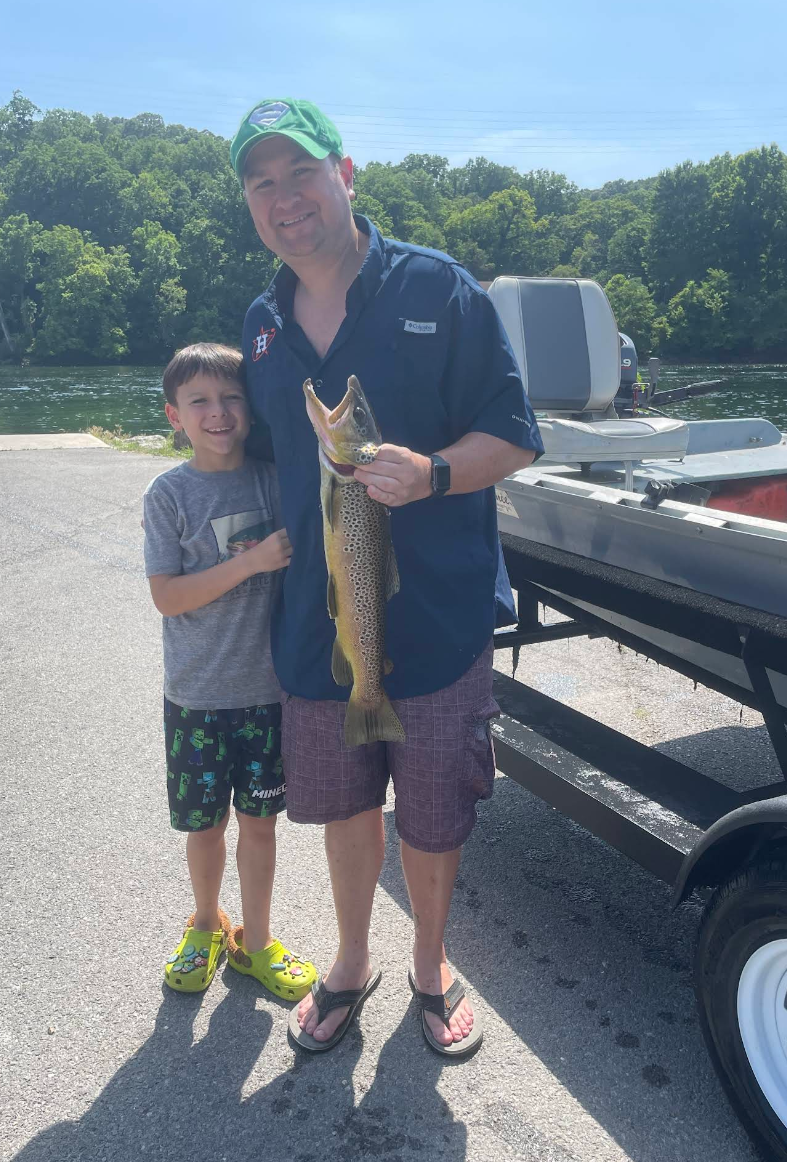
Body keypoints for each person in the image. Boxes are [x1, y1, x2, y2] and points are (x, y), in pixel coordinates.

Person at [230, 101, 543, 1056]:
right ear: (248, 201)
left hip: (440, 622)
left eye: (303, 173)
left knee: (438, 811)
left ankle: (431, 962)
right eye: (262, 182)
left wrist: (435, 472)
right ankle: (355, 958)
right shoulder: (261, 324)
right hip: (317, 628)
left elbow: (516, 437)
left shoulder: (441, 290)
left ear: (348, 173)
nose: (285, 199)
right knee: (347, 803)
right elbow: (257, 453)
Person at [142, 342, 318, 1001]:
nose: (218, 413)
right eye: (200, 402)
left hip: (267, 696)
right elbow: (167, 595)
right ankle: (207, 922)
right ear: (174, 417)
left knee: (261, 825)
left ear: (251, 408)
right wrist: (250, 561)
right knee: (204, 827)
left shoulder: (274, 479)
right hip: (195, 699)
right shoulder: (169, 494)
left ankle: (258, 939)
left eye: (231, 397)